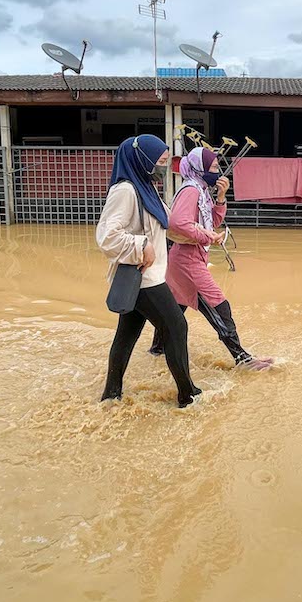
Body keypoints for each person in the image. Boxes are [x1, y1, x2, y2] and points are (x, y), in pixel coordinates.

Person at [96, 135, 202, 408]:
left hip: (143, 277)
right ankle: (187, 395)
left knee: (126, 335)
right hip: (144, 278)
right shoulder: (125, 191)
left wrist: (201, 237)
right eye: (160, 161)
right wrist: (141, 244)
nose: (163, 167)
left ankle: (111, 395)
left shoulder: (146, 189)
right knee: (176, 327)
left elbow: (169, 224)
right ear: (141, 160)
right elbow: (106, 237)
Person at [149, 146, 273, 371]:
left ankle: (156, 351)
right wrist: (208, 237)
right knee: (218, 305)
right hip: (187, 261)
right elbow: (178, 223)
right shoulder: (191, 190)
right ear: (200, 168)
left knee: (176, 307)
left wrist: (221, 198)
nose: (218, 171)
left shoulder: (202, 189)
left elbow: (211, 222)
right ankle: (242, 358)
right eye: (214, 167)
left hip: (186, 259)